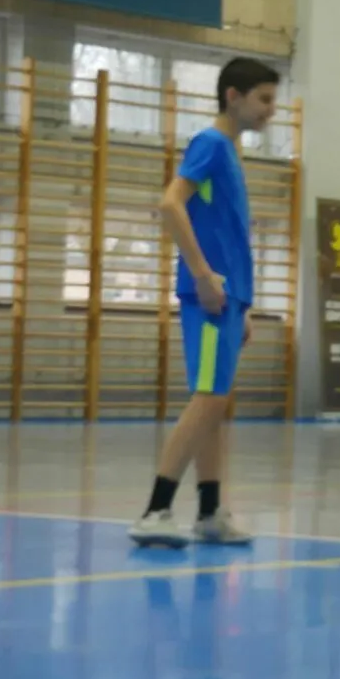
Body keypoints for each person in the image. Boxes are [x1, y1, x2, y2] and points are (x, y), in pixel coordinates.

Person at [129, 57, 281, 549]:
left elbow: (227, 234)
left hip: (228, 301)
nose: (271, 110)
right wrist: (203, 276)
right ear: (233, 97)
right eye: (264, 99)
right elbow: (170, 203)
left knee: (216, 402)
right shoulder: (211, 144)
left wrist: (243, 306)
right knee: (209, 398)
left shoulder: (229, 152)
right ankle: (155, 511)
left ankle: (210, 512)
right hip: (211, 299)